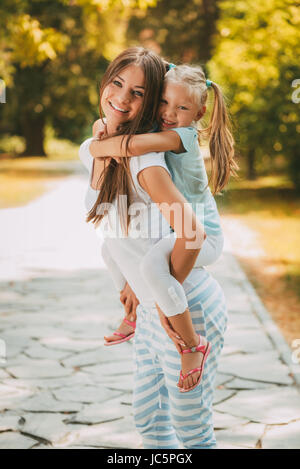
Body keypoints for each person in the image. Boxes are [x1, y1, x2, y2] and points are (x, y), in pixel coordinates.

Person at [79, 47, 228, 448]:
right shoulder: (109, 141)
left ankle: (192, 346)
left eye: (140, 92)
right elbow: (116, 229)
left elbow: (193, 234)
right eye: (117, 83)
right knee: (150, 424)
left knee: (191, 433)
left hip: (186, 304)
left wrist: (161, 298)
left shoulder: (150, 155)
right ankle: (140, 309)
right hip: (151, 309)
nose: (123, 98)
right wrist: (138, 296)